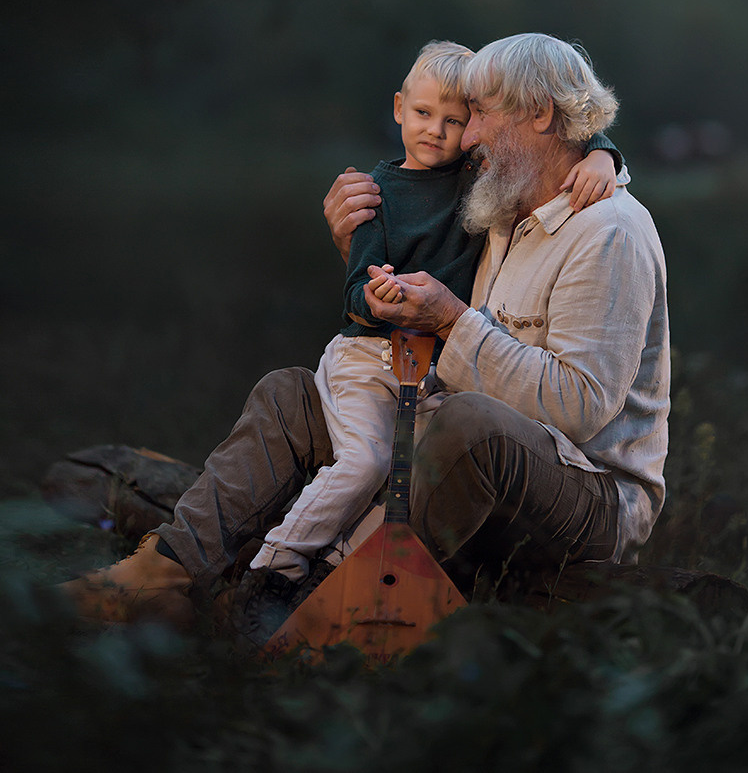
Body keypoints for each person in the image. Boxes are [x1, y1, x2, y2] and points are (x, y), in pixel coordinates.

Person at [61, 32, 667, 628]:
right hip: (452, 443)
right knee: (290, 395)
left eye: (478, 113)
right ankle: (164, 574)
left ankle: (306, 611)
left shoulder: (607, 231)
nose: (467, 134)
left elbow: (580, 408)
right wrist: (361, 253)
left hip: (586, 495)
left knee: (465, 425)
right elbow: (422, 256)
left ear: (539, 114)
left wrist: (452, 322)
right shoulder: (505, 207)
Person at [247, 39, 618, 585]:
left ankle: (335, 576)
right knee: (351, 447)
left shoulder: (488, 182)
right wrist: (372, 296)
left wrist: (604, 153)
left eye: (464, 117)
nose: (448, 133)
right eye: (423, 114)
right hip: (372, 354)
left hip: (448, 380)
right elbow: (359, 286)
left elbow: (563, 124)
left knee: (419, 456)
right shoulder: (383, 192)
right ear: (399, 109)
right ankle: (263, 564)